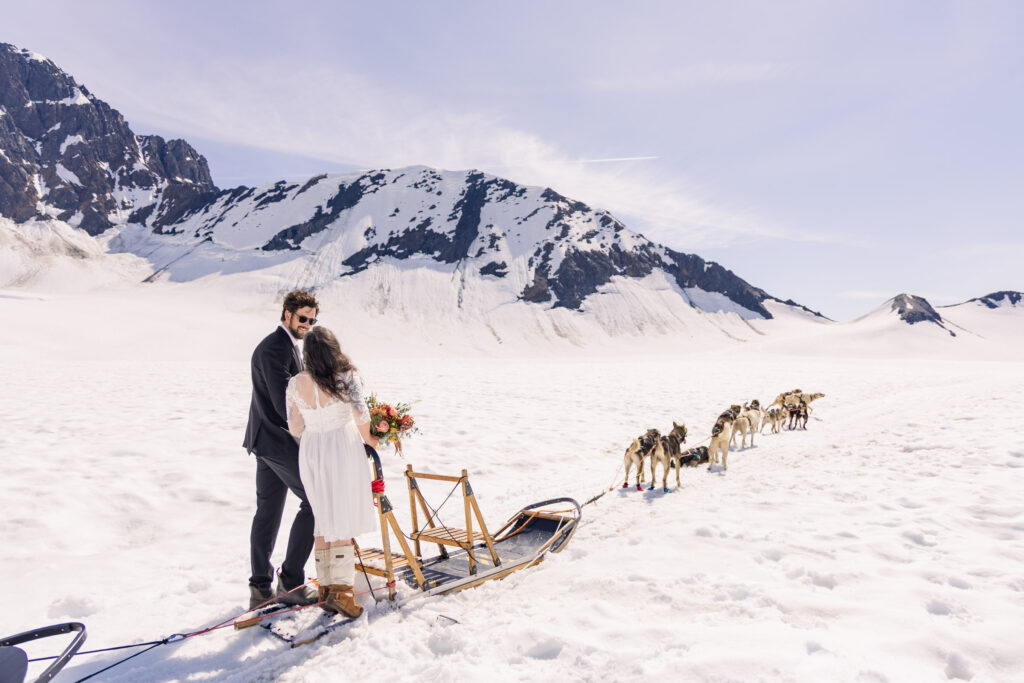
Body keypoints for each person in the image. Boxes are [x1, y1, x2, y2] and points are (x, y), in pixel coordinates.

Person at [285, 325, 379, 617]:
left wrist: (316, 423)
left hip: (312, 450)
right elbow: (362, 418)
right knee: (341, 515)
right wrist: (376, 441)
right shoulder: (345, 377)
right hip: (341, 446)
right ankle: (341, 592)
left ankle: (325, 588)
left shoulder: (295, 383)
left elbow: (295, 427)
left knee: (323, 516)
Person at [243, 290, 321, 609]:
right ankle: (289, 583)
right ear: (286, 313)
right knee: (316, 501)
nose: (307, 325)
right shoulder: (274, 348)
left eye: (312, 321)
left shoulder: (286, 345)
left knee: (268, 512)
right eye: (302, 318)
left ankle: (261, 589)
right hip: (275, 440)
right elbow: (283, 406)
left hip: (267, 439)